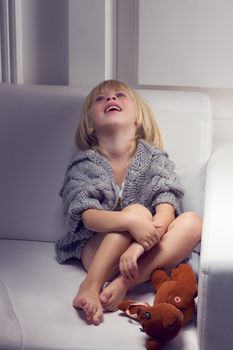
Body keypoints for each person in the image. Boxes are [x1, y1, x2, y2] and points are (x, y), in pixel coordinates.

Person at [55, 79, 202, 326]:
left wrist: (138, 246)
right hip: (97, 252)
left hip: (147, 253)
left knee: (192, 222)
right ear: (90, 124)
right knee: (135, 212)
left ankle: (124, 283)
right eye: (100, 99)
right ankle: (91, 284)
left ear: (138, 119)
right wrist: (129, 220)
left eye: (120, 96)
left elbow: (166, 206)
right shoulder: (85, 164)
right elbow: (87, 215)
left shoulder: (155, 158)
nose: (110, 100)